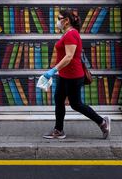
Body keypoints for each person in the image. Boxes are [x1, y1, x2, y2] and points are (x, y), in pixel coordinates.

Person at [41, 9, 111, 139]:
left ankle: (102, 122)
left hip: (73, 76)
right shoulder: (68, 33)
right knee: (59, 99)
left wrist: (52, 70)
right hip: (65, 75)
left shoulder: (71, 35)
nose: (57, 21)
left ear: (66, 21)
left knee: (76, 104)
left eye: (59, 18)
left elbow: (69, 57)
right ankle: (58, 130)